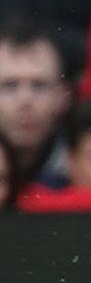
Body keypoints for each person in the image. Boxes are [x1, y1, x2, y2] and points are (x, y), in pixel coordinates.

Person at [0, 21, 68, 191]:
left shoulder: (87, 167)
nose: (25, 101)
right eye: (10, 85)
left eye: (39, 86)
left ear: (62, 97)